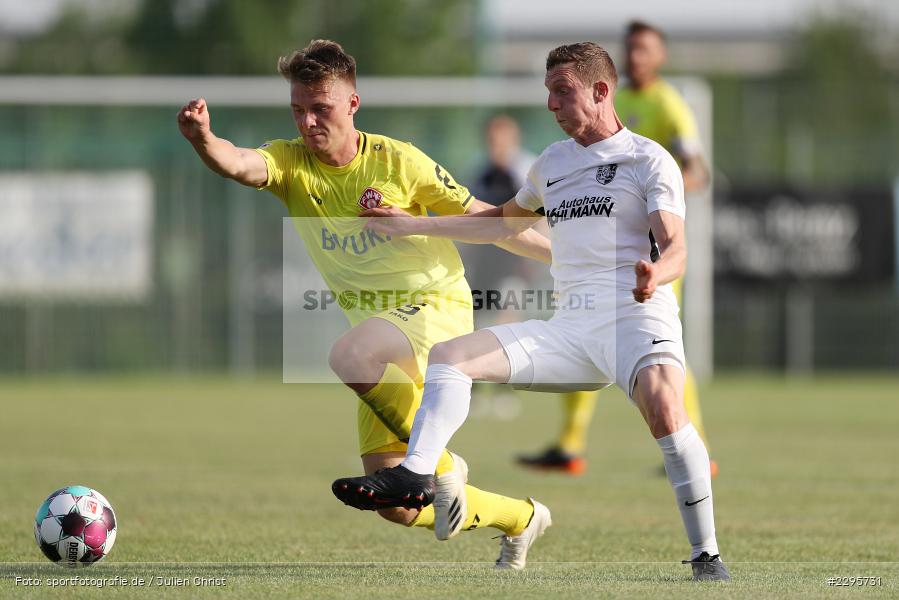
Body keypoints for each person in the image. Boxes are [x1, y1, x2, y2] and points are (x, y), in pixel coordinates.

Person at [334, 41, 730, 581]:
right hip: (570, 330)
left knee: (664, 405)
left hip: (637, 319)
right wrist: (412, 223)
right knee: (451, 356)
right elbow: (502, 222)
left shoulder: (648, 159)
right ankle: (416, 476)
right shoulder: (553, 163)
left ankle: (706, 555)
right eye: (548, 93)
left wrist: (656, 274)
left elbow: (677, 246)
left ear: (601, 90)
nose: (552, 105)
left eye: (562, 92)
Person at [177, 39, 552, 568]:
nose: (308, 122)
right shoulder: (290, 164)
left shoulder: (398, 161)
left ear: (353, 103)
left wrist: (568, 255)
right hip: (383, 340)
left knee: (350, 357)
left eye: (321, 108)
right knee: (398, 507)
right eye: (299, 110)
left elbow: (490, 219)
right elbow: (238, 163)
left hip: (435, 307)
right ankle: (519, 517)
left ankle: (441, 468)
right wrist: (203, 139)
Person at [517, 20, 717, 478]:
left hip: (648, 252)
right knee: (579, 334)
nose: (637, 56)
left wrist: (647, 195)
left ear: (661, 57)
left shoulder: (668, 103)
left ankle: (694, 448)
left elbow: (697, 172)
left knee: (663, 354)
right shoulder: (610, 97)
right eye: (631, 48)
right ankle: (569, 445)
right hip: (593, 250)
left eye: (645, 49)